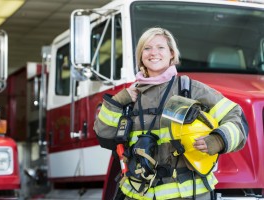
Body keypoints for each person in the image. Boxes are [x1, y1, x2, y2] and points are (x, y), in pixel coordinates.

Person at [94, 27, 248, 200]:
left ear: (172, 54)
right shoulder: (130, 96)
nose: (153, 53)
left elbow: (237, 118)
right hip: (137, 193)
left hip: (186, 194)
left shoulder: (190, 89)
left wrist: (219, 140)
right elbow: (105, 136)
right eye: (147, 48)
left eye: (160, 47)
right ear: (141, 56)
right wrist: (117, 101)